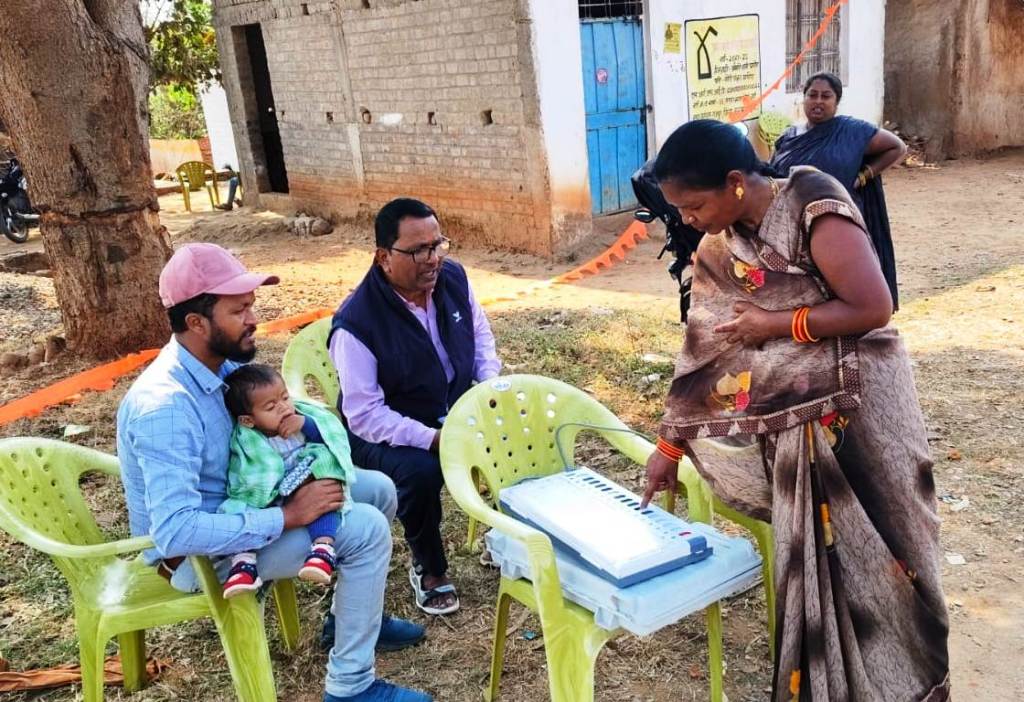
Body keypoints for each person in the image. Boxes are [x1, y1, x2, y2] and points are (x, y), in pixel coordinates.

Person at [640, 121, 949, 701]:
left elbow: (873, 305)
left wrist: (776, 324)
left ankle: (903, 687)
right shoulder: (718, 249)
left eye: (693, 205)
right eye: (678, 209)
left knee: (890, 552)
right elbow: (703, 350)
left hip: (862, 413)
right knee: (814, 568)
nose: (686, 219)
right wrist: (668, 447)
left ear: (735, 182)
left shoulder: (812, 202)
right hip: (792, 431)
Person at [117, 243, 431, 702]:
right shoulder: (165, 407)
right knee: (364, 529)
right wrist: (288, 516)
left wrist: (301, 430)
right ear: (196, 323)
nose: (253, 319)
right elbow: (174, 532)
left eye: (251, 305)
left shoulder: (221, 367)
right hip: (199, 557)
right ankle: (350, 687)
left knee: (377, 489)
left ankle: (349, 618)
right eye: (238, 310)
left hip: (252, 497)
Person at [329, 198, 501, 616]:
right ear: (384, 257)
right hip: (379, 430)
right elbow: (365, 415)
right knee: (420, 471)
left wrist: (488, 390)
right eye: (418, 250)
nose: (433, 259)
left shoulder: (453, 278)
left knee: (513, 432)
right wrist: (434, 439)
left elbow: (480, 335)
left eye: (437, 245)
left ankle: (505, 537)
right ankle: (429, 567)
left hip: (448, 406)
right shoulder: (357, 323)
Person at [770, 72, 907, 309]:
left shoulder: (852, 132)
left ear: (837, 101)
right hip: (793, 227)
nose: (818, 101)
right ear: (804, 98)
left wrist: (864, 176)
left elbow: (897, 147)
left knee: (844, 283)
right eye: (812, 95)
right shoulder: (788, 138)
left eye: (826, 96)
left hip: (837, 224)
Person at [219, 363, 357, 598]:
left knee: (327, 499)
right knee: (242, 510)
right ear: (248, 421)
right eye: (271, 407)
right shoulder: (249, 440)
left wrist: (305, 423)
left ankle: (322, 549)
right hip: (269, 498)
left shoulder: (299, 422)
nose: (283, 407)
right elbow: (246, 473)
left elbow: (329, 437)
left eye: (285, 397)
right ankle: (243, 564)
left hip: (306, 484)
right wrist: (263, 491)